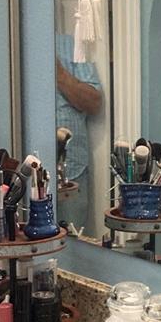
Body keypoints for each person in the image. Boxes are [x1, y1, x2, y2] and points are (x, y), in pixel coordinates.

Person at [55, 31, 102, 232]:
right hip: (25, 173)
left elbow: (94, 103)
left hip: (71, 171)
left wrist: (59, 73)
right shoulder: (11, 48)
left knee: (73, 243)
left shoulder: (71, 46)